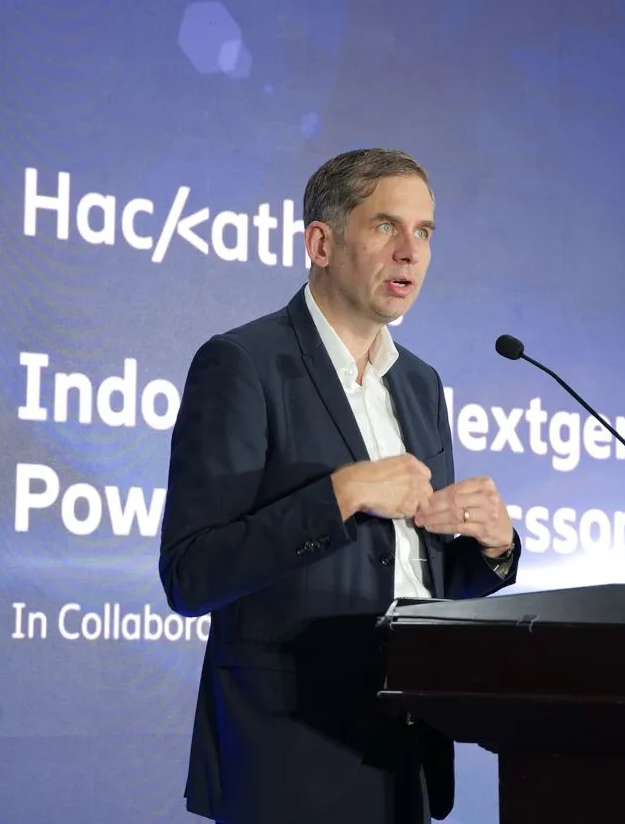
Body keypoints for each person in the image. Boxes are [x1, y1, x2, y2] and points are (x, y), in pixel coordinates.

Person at [158, 148, 522, 824]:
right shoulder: (242, 364)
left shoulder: (420, 384)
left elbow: (417, 577)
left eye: (424, 232)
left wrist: (492, 548)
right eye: (386, 226)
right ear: (320, 244)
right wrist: (339, 496)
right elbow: (191, 575)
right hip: (291, 757)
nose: (410, 252)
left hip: (406, 752)